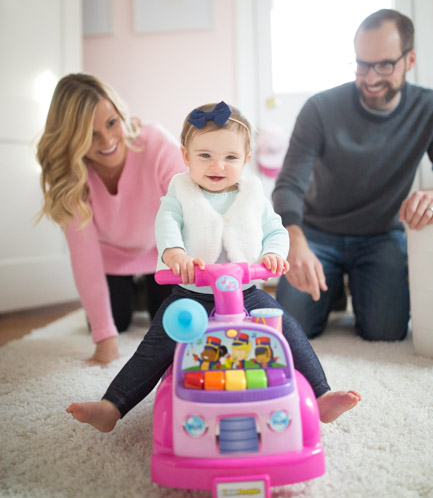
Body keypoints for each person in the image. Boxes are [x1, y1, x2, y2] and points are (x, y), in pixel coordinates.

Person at [66, 101, 360, 432]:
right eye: (205, 155)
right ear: (186, 156)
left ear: (246, 159)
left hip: (246, 292)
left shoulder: (253, 192)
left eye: (231, 157)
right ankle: (112, 406)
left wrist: (273, 253)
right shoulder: (180, 190)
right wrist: (175, 254)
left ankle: (322, 396)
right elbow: (167, 223)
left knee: (287, 328)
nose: (217, 165)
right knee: (156, 344)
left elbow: (275, 229)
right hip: (192, 293)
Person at [273, 9, 433, 341]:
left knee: (386, 332)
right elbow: (288, 184)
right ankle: (333, 293)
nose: (371, 78)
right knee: (292, 330)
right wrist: (294, 240)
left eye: (384, 65)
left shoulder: (427, 108)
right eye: (362, 64)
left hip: (381, 235)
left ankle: (345, 286)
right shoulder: (320, 108)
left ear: (410, 59)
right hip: (316, 234)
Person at [36, 73, 186, 365]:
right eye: (90, 135)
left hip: (165, 252)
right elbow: (85, 258)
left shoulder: (155, 142)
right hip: (112, 256)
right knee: (113, 322)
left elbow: (193, 212)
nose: (106, 141)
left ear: (120, 113)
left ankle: (147, 285)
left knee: (169, 322)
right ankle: (132, 288)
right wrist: (105, 340)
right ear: (71, 139)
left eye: (111, 123)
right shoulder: (70, 178)